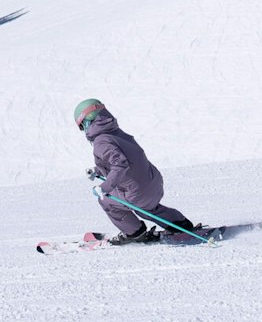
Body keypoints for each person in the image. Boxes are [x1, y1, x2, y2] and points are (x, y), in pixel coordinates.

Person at [74, 99, 203, 244]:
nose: (83, 131)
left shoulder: (101, 142)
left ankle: (135, 233)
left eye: (81, 126)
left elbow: (120, 165)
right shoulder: (117, 132)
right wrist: (97, 171)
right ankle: (181, 224)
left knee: (106, 201)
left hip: (137, 193)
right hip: (153, 184)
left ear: (87, 121)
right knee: (147, 207)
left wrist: (104, 188)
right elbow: (128, 161)